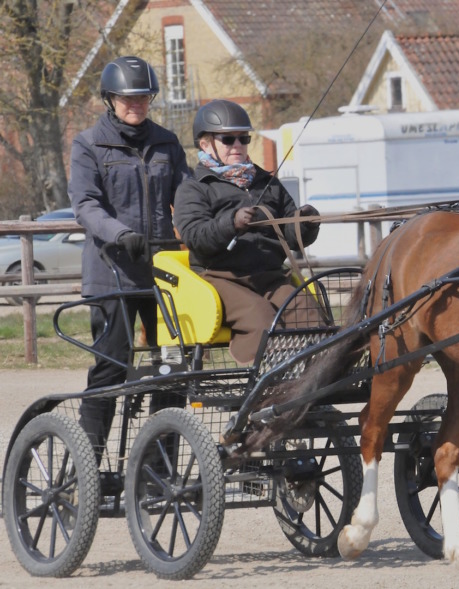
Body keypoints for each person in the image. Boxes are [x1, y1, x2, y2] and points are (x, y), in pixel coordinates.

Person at [68, 56, 190, 465]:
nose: (136, 104)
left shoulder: (167, 143)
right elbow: (85, 205)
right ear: (110, 99)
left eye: (143, 97)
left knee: (173, 366)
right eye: (127, 98)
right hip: (112, 271)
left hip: (162, 272)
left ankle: (158, 467)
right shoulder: (89, 144)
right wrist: (121, 234)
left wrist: (209, 226)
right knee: (112, 367)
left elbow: (186, 198)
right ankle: (88, 465)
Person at [174, 99, 321, 364]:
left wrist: (305, 225)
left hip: (270, 277)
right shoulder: (194, 188)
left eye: (243, 138)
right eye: (228, 139)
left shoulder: (267, 183)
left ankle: (316, 385)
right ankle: (268, 387)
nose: (238, 146)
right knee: (260, 317)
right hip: (221, 277)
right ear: (205, 144)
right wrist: (230, 223)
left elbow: (290, 237)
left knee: (309, 314)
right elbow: (194, 236)